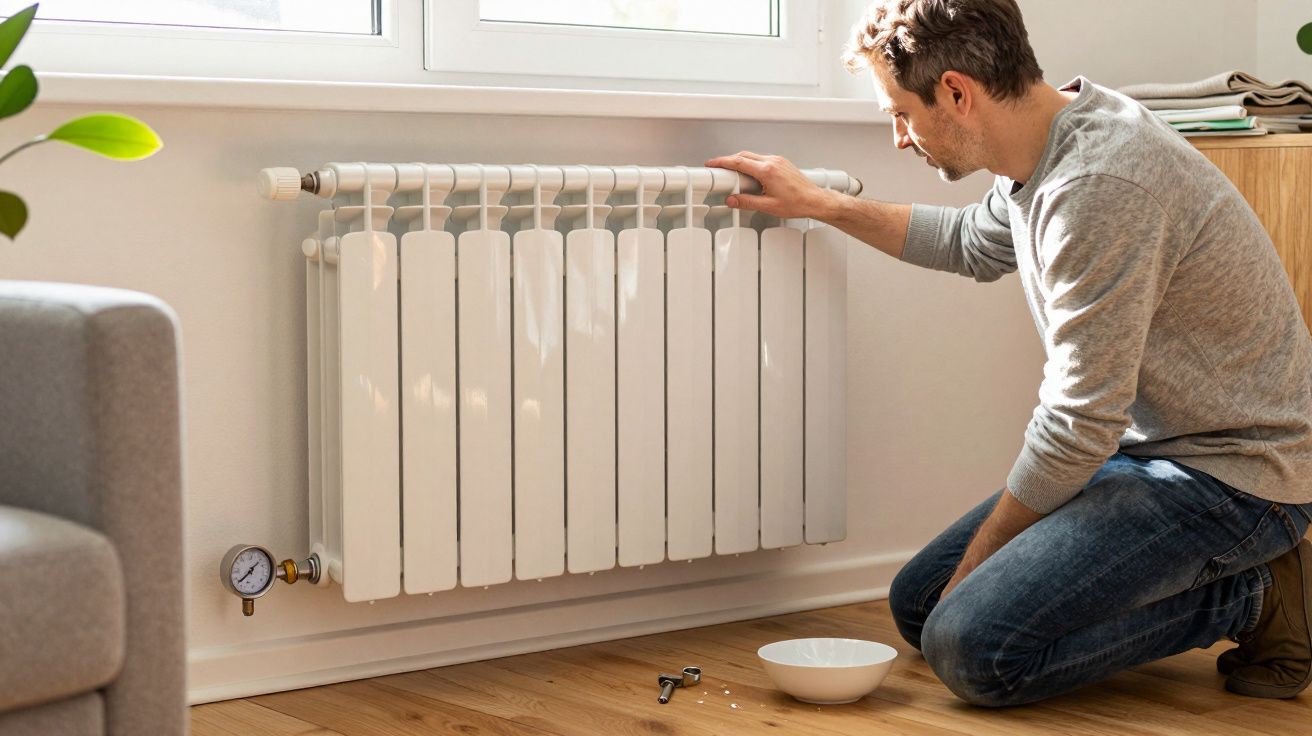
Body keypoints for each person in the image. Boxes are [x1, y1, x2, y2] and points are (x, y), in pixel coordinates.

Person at [707, 0, 1312, 707]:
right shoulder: (1043, 140)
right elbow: (971, 242)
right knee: (920, 604)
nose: (899, 138)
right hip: (1146, 452)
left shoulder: (1100, 185)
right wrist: (823, 204)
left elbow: (1079, 422)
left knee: (972, 650)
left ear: (956, 92)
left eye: (902, 113)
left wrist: (977, 572)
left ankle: (1256, 593)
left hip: (1239, 474)